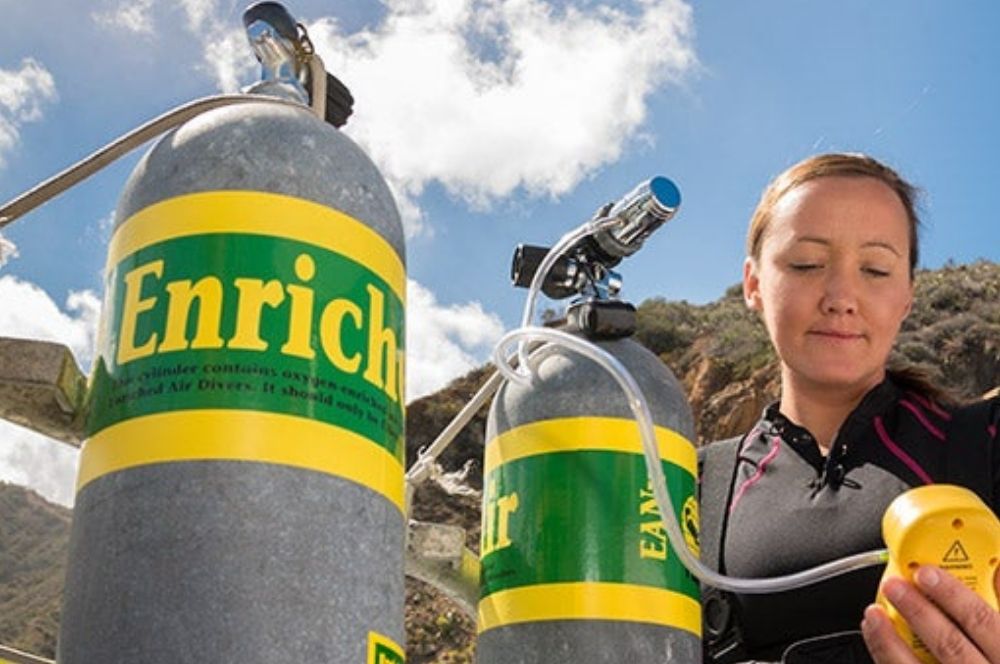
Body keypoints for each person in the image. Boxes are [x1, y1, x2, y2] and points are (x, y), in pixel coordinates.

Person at [697, 153, 1000, 664]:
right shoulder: (690, 485)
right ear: (753, 285)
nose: (841, 297)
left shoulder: (987, 443)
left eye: (876, 269)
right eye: (807, 264)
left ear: (906, 297)